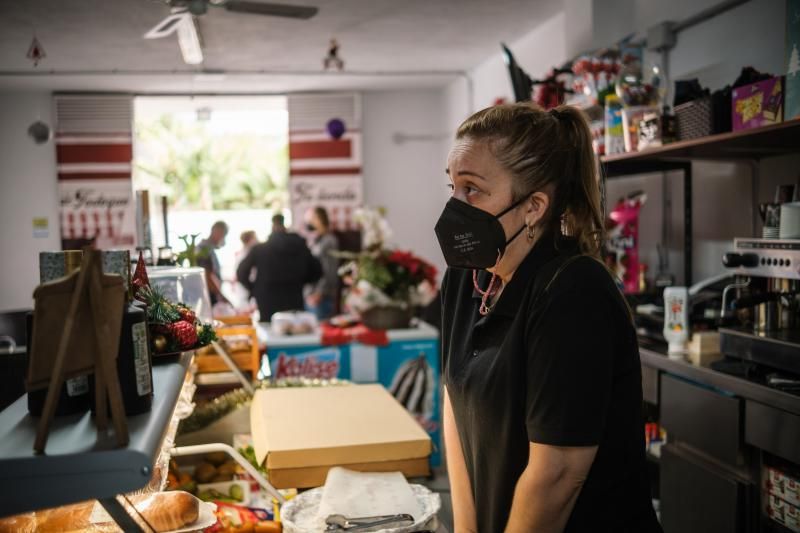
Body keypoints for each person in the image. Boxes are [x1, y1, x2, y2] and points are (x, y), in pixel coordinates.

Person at [436, 103, 661, 532]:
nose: (455, 206)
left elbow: (557, 474)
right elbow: (455, 404)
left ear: (534, 206)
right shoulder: (465, 281)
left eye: (473, 190)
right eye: (452, 187)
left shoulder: (573, 290)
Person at [236, 214, 322, 322]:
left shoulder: (260, 250)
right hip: (294, 298)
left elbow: (241, 272)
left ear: (272, 228)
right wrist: (301, 281)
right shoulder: (300, 247)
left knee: (268, 333)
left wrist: (255, 289)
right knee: (294, 331)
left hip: (266, 301)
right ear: (285, 228)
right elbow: (317, 271)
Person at [304, 206, 340, 320]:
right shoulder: (316, 240)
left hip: (321, 298)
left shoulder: (329, 241)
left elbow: (329, 270)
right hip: (311, 296)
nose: (309, 221)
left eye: (312, 218)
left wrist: (319, 293)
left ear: (320, 219)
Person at [197, 220, 231, 307]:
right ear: (217, 232)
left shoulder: (208, 248)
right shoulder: (204, 249)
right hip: (208, 297)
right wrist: (222, 296)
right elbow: (208, 276)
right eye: (224, 235)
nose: (223, 239)